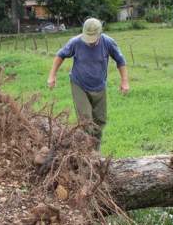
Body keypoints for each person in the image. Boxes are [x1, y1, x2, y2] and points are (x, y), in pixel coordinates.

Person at [47, 18, 130, 148]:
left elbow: (120, 60)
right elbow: (60, 55)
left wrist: (124, 81)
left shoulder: (108, 42)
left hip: (99, 85)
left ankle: (95, 152)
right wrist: (52, 75)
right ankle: (86, 151)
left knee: (100, 121)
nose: (90, 42)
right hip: (79, 84)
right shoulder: (75, 42)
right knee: (86, 120)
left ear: (100, 33)